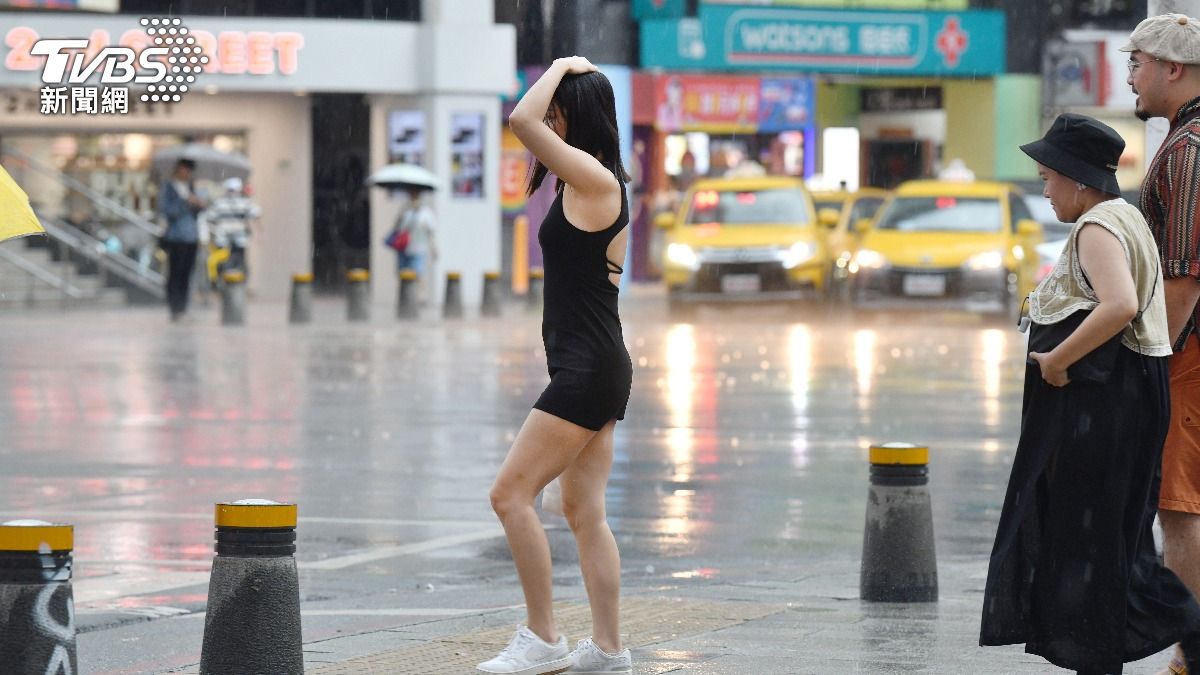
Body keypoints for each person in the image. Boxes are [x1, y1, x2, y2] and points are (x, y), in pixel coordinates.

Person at [979, 113, 1200, 674]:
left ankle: (1188, 631)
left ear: (1078, 179)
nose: (1046, 189)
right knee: (1110, 545)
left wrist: (1057, 359)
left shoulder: (1097, 226)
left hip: (1105, 404)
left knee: (1091, 542)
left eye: (1049, 177)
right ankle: (1120, 653)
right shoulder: (1125, 217)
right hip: (1129, 397)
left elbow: (1120, 304)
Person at [478, 56, 633, 675]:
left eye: (560, 113)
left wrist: (563, 64)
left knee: (511, 495)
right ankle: (610, 651)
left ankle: (542, 636)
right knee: (582, 512)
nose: (551, 121)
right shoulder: (590, 182)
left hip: (589, 368)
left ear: (577, 116)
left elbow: (520, 117)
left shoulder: (594, 179)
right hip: (596, 362)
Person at [1121, 14, 1200, 675]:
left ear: (1174, 68)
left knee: (1179, 506)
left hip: (1189, 352)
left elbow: (1184, 273)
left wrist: (1156, 355)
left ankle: (1191, 653)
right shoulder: (1183, 140)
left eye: (1140, 62)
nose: (1132, 77)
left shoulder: (1189, 149)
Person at [158, 158, 205, 322]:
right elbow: (165, 210)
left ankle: (183, 307)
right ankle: (174, 308)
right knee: (175, 274)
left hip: (191, 237)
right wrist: (183, 201)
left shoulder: (191, 187)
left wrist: (198, 204)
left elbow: (197, 214)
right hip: (176, 237)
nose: (186, 173)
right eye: (183, 169)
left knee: (187, 273)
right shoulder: (169, 187)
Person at [203, 176, 260, 282]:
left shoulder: (219, 203)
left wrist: (213, 231)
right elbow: (256, 214)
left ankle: (221, 281)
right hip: (238, 240)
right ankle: (236, 282)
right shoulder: (244, 202)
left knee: (223, 262)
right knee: (238, 263)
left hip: (223, 239)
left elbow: (209, 218)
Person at [388, 187, 438, 301]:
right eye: (412, 194)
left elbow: (431, 232)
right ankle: (404, 299)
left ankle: (419, 298)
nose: (413, 196)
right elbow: (396, 228)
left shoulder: (426, 212)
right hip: (404, 248)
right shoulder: (405, 210)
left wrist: (434, 248)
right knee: (403, 274)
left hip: (418, 248)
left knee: (418, 274)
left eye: (415, 194)